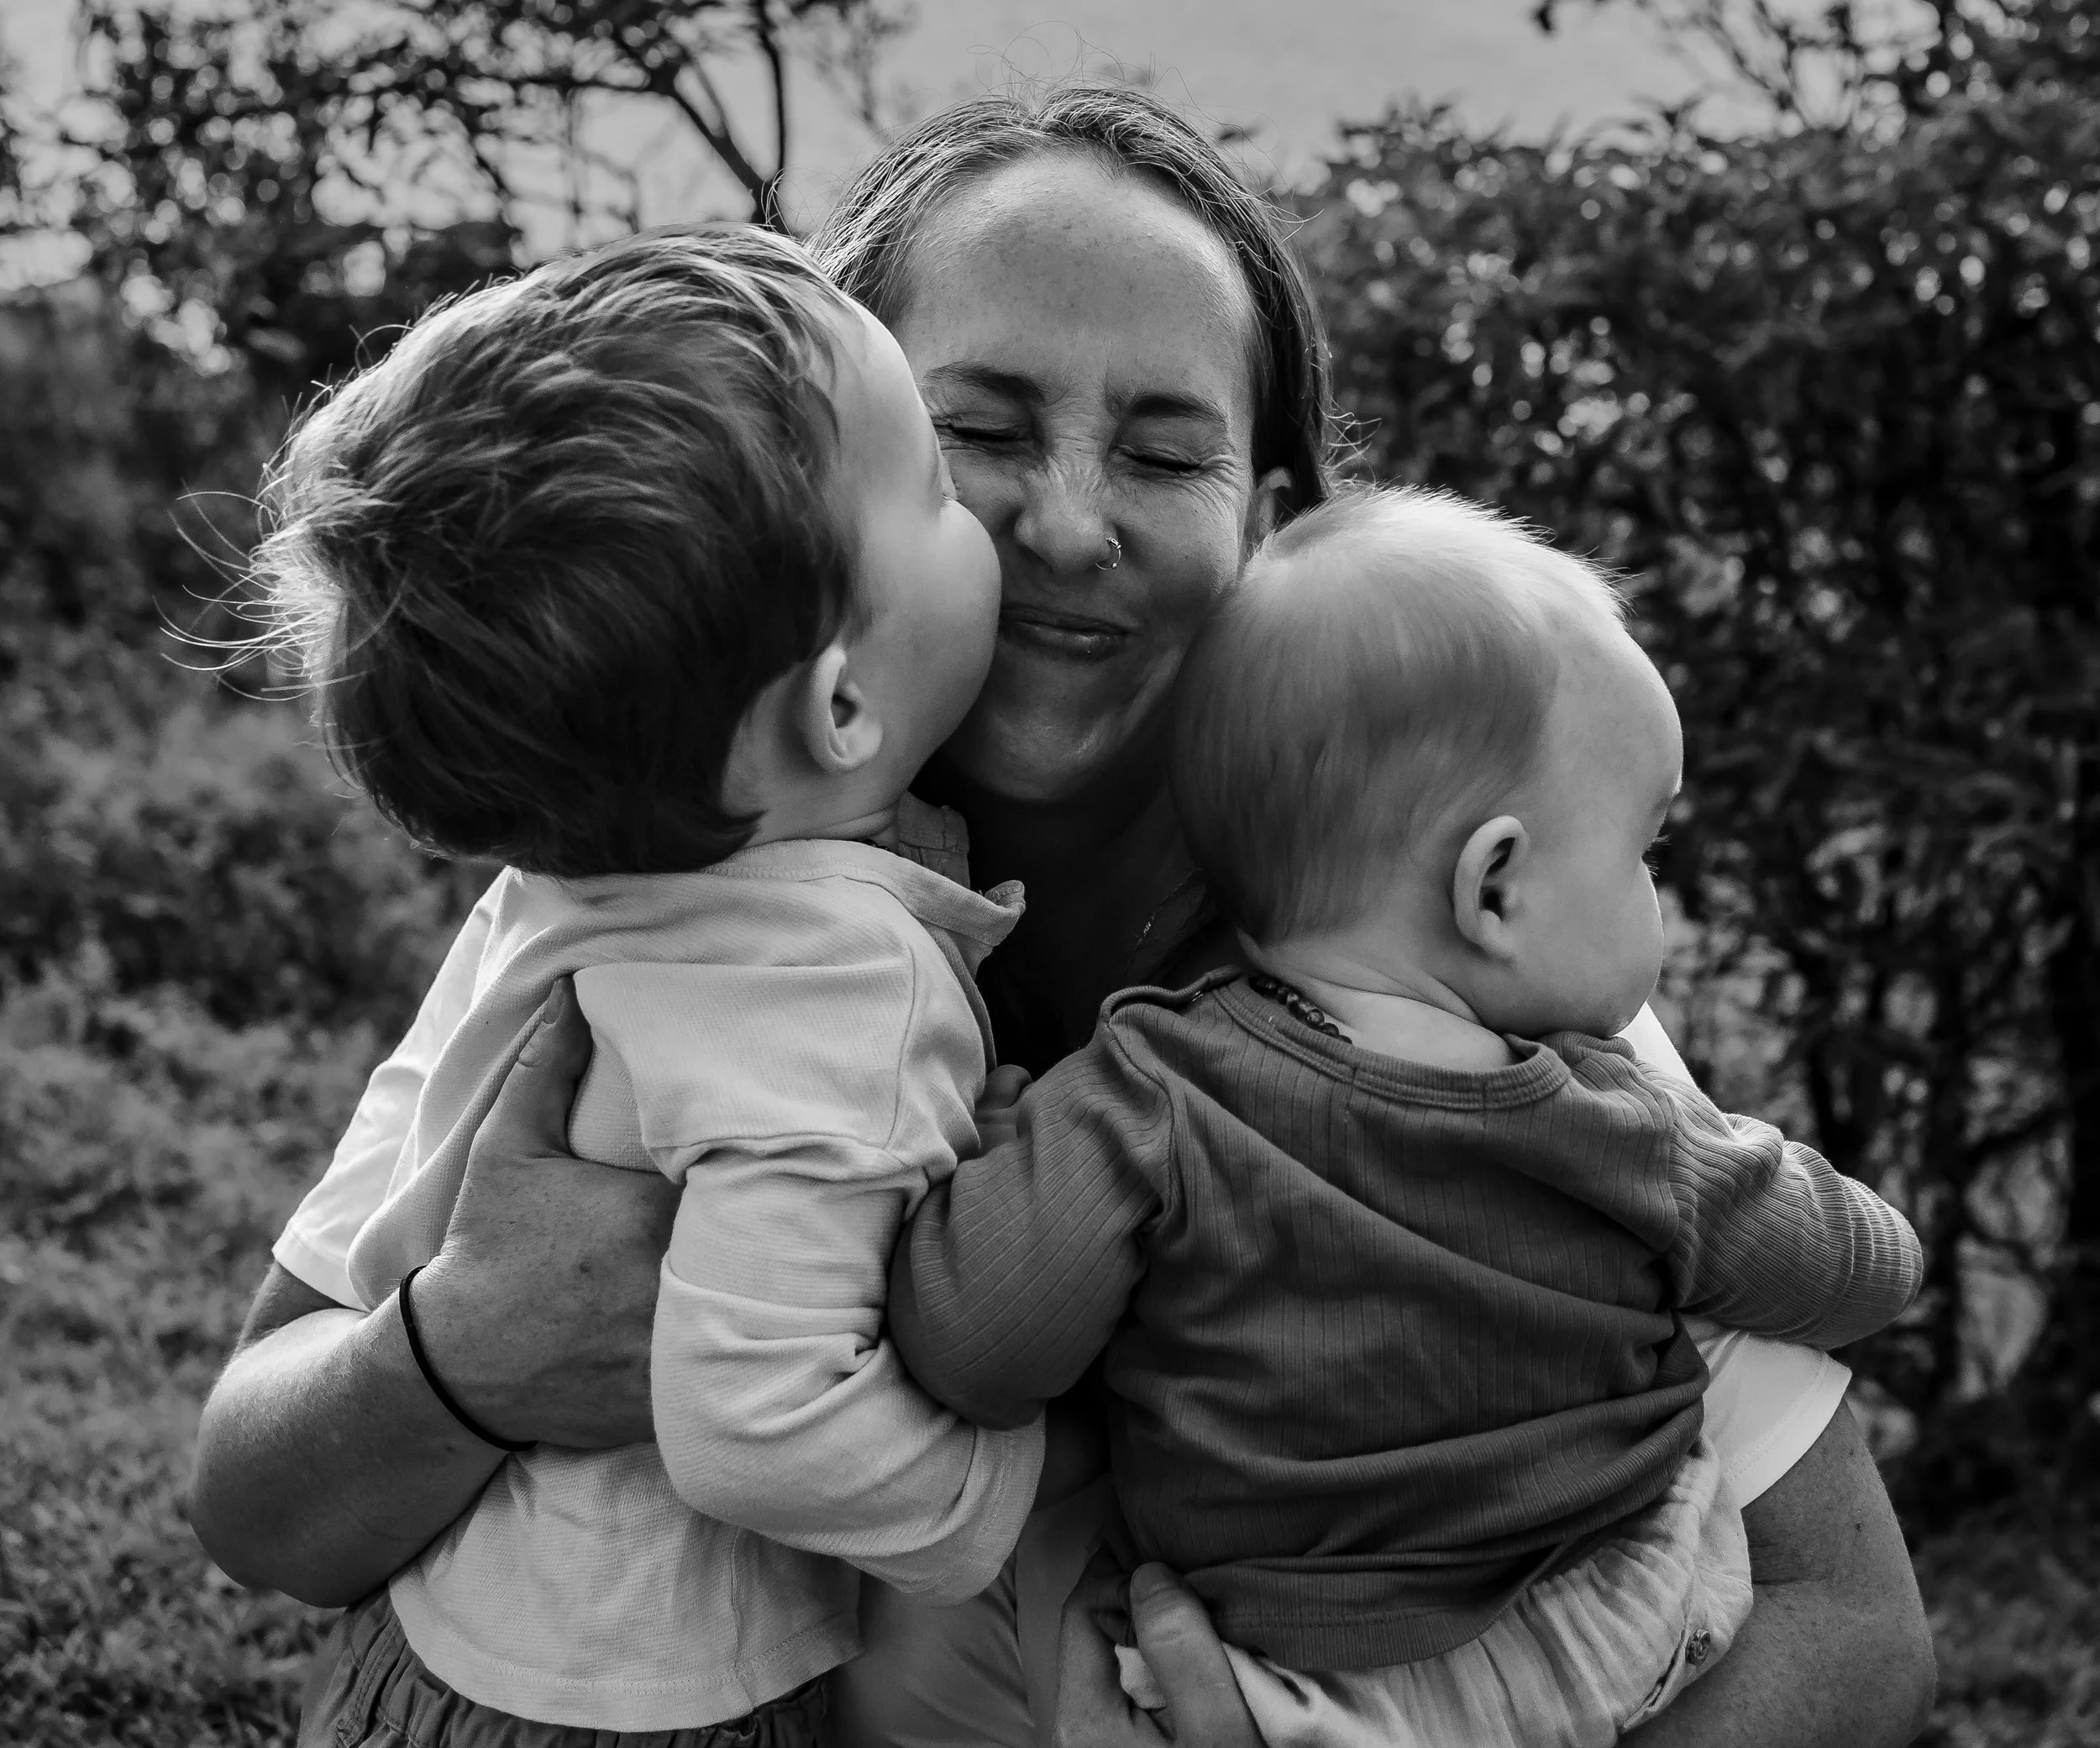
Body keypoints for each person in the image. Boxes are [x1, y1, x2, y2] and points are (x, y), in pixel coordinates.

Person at [189, 86, 1936, 1748]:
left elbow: (1846, 1622)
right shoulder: (654, 892)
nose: (1068, 522)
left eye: (1164, 450)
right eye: (972, 438)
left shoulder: (1450, 970)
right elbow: (256, 1498)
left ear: (1270, 531)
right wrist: (468, 1347)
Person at [886, 486, 1926, 1748]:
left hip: (1281, 1690)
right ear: (1494, 885)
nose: (1655, 891)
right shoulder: (1613, 1119)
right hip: (1613, 1628)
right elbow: (1859, 1272)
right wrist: (1810, 1195)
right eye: (1645, 851)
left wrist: (1003, 1160)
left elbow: (970, 1350)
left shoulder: (1145, 1094)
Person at [254, 223, 1048, 1744]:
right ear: (840, 703)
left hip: (427, 1643)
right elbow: (758, 1425)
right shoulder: (842, 976)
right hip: (652, 1702)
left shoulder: (557, 893)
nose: (1004, 522)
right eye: (947, 477)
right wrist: (1007, 1489)